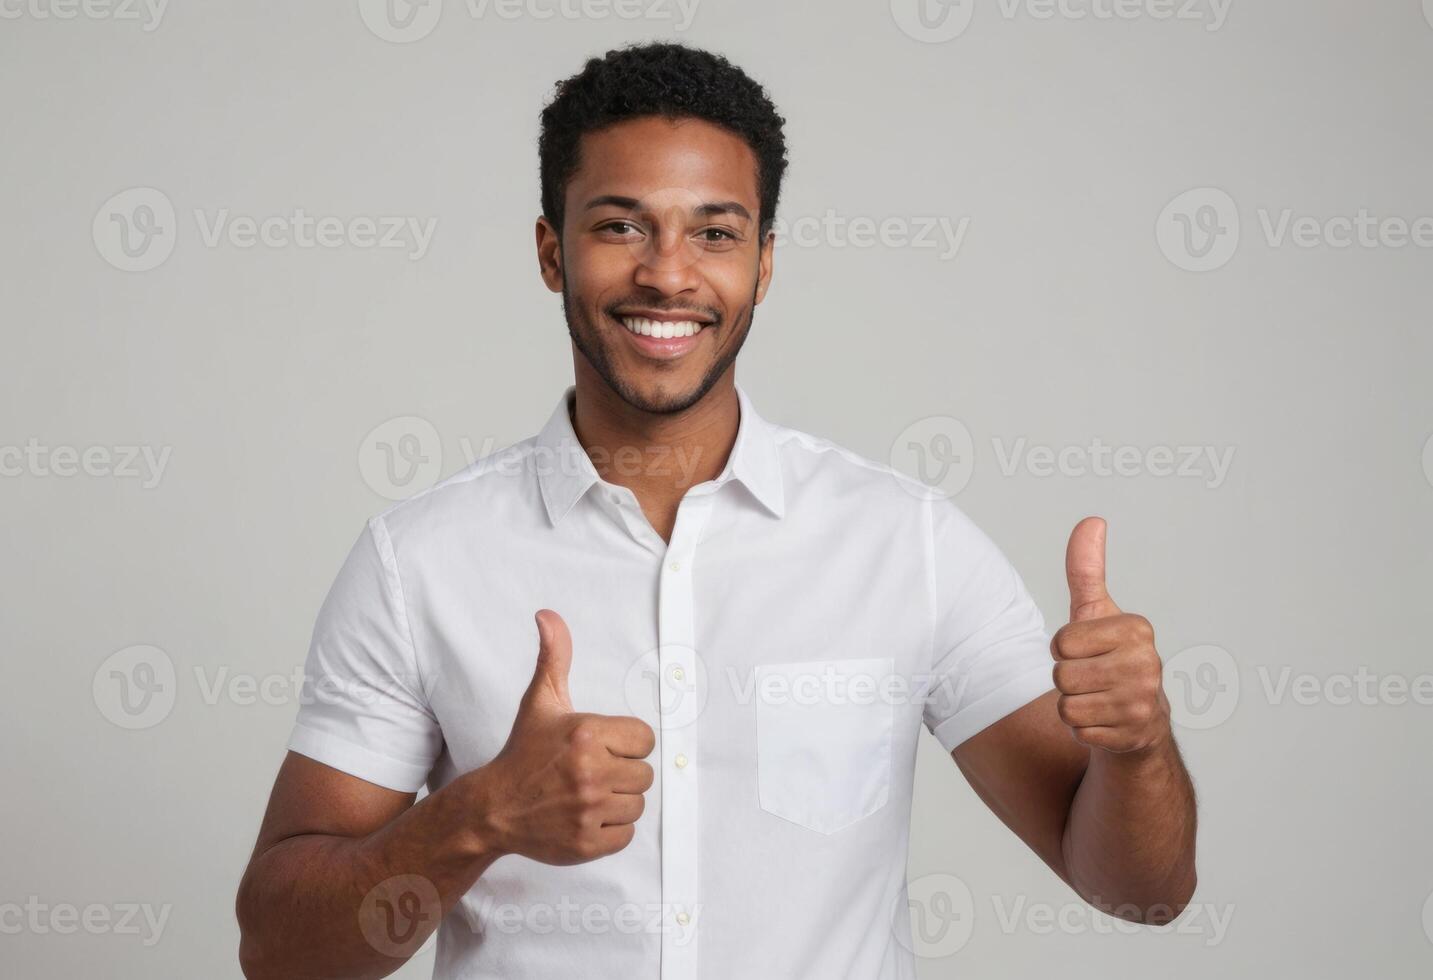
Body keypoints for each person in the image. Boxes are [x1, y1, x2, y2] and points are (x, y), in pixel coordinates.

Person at [236, 40, 1197, 980]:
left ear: (762, 264)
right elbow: (281, 954)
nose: (667, 273)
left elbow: (1139, 891)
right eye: (619, 226)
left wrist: (1139, 748)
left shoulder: (908, 544)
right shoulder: (419, 561)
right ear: (549, 251)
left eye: (715, 232)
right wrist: (478, 816)